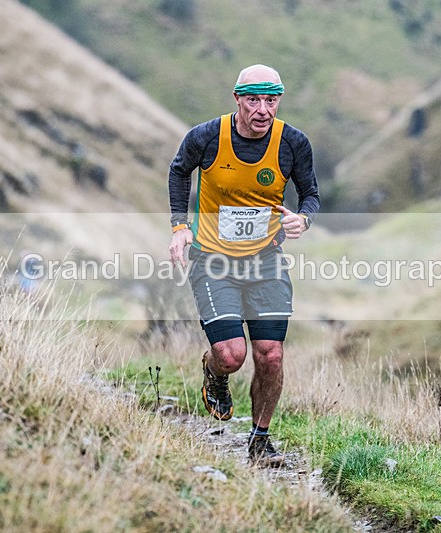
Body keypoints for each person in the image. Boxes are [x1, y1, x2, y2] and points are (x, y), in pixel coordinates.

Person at [168, 64, 319, 467]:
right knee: (232, 355)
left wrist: (303, 219)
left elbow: (311, 193)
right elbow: (179, 171)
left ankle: (260, 440)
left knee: (271, 355)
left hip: (265, 261)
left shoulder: (293, 143)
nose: (262, 110)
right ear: (237, 98)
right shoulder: (206, 137)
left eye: (271, 100)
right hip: (213, 260)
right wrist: (180, 227)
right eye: (253, 100)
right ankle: (214, 371)